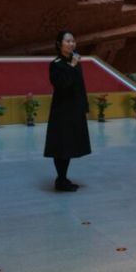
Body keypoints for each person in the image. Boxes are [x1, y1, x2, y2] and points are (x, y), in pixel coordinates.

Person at [44, 30, 92, 192]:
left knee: (70, 144)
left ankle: (63, 178)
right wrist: (71, 66)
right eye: (68, 41)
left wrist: (84, 106)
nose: (71, 44)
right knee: (61, 146)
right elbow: (63, 84)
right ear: (59, 44)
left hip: (75, 109)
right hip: (62, 111)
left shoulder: (75, 62)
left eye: (73, 41)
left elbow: (80, 86)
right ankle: (61, 179)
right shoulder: (56, 64)